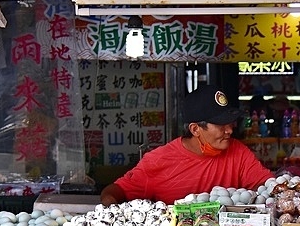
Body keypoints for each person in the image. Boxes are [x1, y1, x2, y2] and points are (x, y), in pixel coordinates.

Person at [100, 85, 274, 206]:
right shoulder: (158, 160)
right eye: (221, 124)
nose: (229, 130)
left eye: (231, 122)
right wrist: (111, 207)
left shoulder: (238, 153)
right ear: (195, 129)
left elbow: (268, 186)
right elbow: (117, 191)